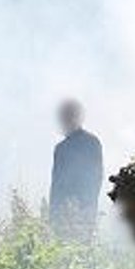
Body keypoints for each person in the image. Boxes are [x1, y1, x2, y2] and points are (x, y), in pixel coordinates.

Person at [48, 99, 104, 241]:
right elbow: (56, 185)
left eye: (66, 117)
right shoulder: (61, 148)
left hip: (81, 213)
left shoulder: (90, 143)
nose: (63, 122)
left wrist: (87, 210)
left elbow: (95, 178)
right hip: (68, 214)